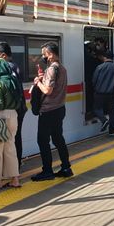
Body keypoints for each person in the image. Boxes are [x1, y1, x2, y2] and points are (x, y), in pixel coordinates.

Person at [31, 42, 72, 181]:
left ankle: (47, 171)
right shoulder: (63, 68)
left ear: (51, 54)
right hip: (60, 108)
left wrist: (38, 82)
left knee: (42, 140)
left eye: (44, 54)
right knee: (58, 138)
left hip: (48, 110)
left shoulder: (51, 69)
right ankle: (66, 167)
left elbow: (48, 90)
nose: (43, 56)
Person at [0, 58, 21, 188]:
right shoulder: (14, 81)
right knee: (10, 148)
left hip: (2, 117)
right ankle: (15, 179)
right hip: (13, 115)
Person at [0, 42, 27, 168]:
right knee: (16, 136)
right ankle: (16, 163)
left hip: (12, 108)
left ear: (2, 55)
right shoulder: (15, 66)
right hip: (20, 106)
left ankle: (12, 166)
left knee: (9, 138)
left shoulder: (6, 68)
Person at [92, 50, 114, 136]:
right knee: (112, 112)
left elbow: (94, 80)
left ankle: (104, 120)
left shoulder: (99, 67)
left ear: (104, 57)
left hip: (99, 93)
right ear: (113, 57)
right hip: (112, 94)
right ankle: (111, 131)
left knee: (96, 109)